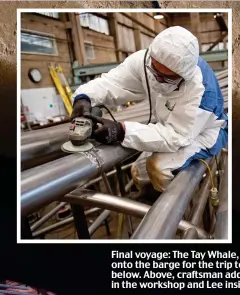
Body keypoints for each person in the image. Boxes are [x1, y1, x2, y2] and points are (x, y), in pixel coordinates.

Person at [70, 26, 227, 192]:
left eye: (167, 77)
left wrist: (121, 130)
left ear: (184, 76)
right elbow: (112, 83)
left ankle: (171, 209)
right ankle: (149, 201)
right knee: (138, 171)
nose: (157, 80)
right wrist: (84, 97)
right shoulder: (144, 61)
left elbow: (177, 136)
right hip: (169, 126)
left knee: (159, 168)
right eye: (155, 70)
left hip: (203, 133)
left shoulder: (200, 91)